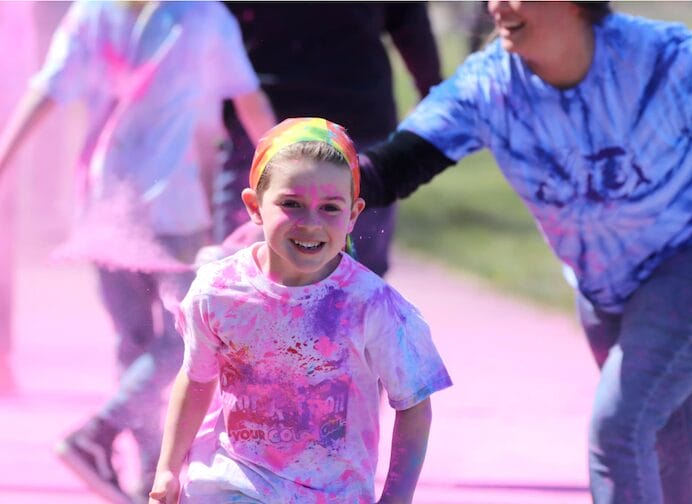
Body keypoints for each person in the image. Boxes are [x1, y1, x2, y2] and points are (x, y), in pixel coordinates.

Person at [358, 1, 692, 503]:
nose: (495, 6)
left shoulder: (660, 60)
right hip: (604, 278)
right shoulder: (491, 86)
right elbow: (393, 167)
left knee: (621, 426)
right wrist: (307, 178)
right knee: (667, 431)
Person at [0, 1, 275, 501]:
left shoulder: (95, 12)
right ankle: (101, 435)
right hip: (173, 205)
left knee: (136, 343)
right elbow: (250, 102)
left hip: (107, 202)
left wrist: (5, 155)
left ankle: (147, 477)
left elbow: (48, 89)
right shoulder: (203, 17)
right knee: (184, 337)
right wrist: (283, 168)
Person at [148, 118, 452, 504]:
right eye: (291, 204)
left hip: (331, 494)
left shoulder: (372, 305)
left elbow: (414, 406)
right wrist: (168, 470)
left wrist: (396, 498)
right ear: (254, 207)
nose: (310, 223)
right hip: (230, 483)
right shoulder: (219, 290)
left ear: (354, 214)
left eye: (329, 208)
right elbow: (195, 379)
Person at [215, 2, 442, 277]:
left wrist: (430, 90)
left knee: (355, 281)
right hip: (268, 120)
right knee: (241, 275)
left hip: (291, 120)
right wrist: (429, 88)